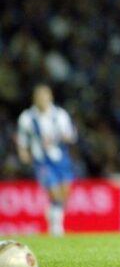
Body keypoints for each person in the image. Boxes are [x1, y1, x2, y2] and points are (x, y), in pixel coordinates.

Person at [16, 84, 78, 236]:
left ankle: (52, 213)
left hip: (60, 158)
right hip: (41, 160)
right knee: (54, 192)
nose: (43, 99)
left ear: (50, 97)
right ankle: (56, 228)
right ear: (35, 99)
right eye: (39, 96)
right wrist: (23, 152)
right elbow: (22, 138)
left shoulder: (60, 115)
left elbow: (71, 135)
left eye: (45, 96)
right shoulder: (27, 117)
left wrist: (64, 137)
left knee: (65, 192)